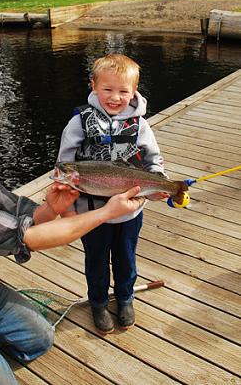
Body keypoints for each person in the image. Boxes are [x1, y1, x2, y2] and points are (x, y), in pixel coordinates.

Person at [0, 85, 141, 385]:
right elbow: (28, 237)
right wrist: (107, 212)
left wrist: (51, 207)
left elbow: (25, 215)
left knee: (40, 338)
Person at [57, 54, 166, 334]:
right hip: (91, 214)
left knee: (126, 258)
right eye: (107, 89)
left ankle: (126, 298)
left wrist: (161, 185)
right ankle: (98, 303)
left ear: (134, 92)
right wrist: (67, 206)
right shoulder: (78, 122)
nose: (115, 97)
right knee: (95, 261)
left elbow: (153, 161)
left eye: (123, 91)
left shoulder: (140, 125)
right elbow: (63, 165)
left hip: (130, 211)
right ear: (93, 86)